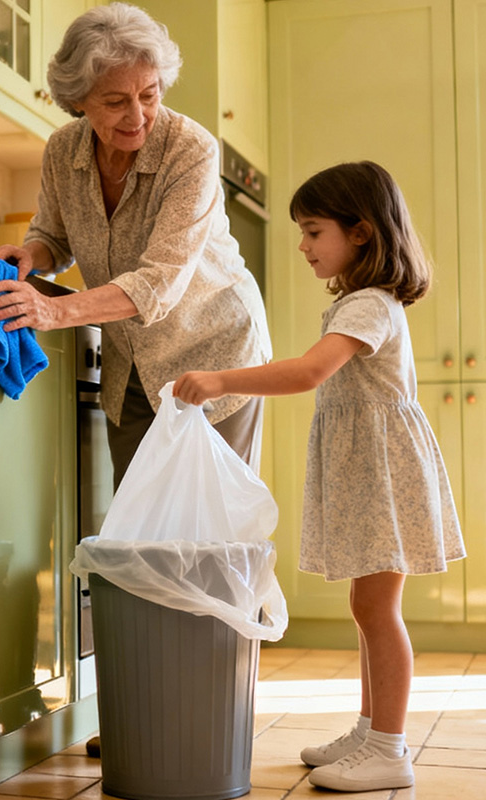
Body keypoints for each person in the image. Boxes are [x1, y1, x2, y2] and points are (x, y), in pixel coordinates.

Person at [174, 161, 466, 793]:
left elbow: (309, 372)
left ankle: (389, 748)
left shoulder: (368, 304)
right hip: (370, 469)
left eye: (313, 232)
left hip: (383, 471)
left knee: (377, 608)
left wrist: (220, 379)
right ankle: (371, 730)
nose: (303, 246)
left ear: (360, 232)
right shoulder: (359, 302)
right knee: (367, 605)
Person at [0, 2, 271, 491]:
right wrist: (34, 255)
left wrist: (54, 311)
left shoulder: (192, 150)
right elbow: (53, 236)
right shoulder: (63, 151)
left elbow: (160, 282)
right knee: (137, 523)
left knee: (211, 520)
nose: (137, 115)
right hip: (132, 365)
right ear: (79, 99)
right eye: (116, 101)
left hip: (216, 352)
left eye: (149, 94)